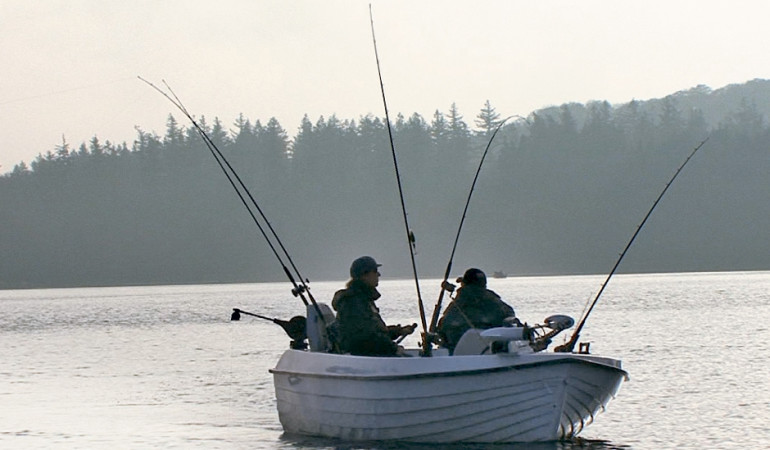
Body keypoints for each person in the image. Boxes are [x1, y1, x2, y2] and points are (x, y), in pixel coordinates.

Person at [331, 256, 416, 356]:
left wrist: (398, 331)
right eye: (375, 271)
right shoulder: (353, 302)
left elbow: (374, 331)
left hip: (368, 354)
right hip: (362, 358)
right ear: (364, 275)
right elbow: (366, 337)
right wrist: (393, 348)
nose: (378, 274)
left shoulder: (364, 300)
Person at [437, 268, 516, 354]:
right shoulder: (493, 300)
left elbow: (443, 325)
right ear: (484, 283)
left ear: (464, 283)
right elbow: (509, 316)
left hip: (455, 352)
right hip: (488, 351)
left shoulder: (459, 301)